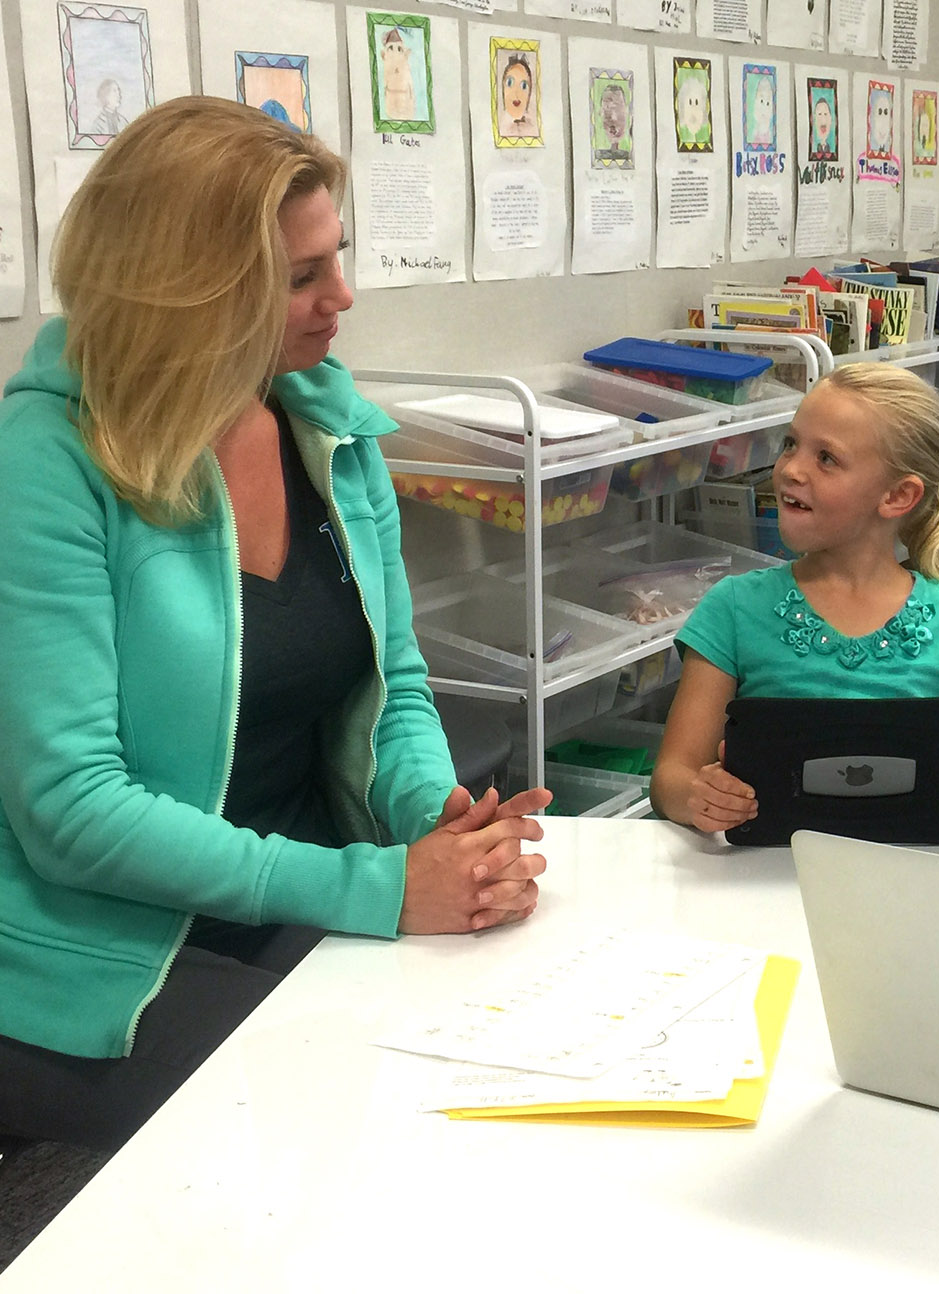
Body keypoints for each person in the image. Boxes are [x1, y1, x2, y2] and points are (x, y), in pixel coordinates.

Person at [0, 97, 551, 1151]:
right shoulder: (46, 461)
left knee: (495, 1062)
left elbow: (394, 683)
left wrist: (430, 815)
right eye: (301, 278)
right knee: (350, 1120)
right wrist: (374, 886)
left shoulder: (326, 425)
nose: (341, 296)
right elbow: (70, 810)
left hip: (292, 888)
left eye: (335, 257)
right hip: (98, 948)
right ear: (189, 294)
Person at [651, 363, 939, 834]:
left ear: (898, 496)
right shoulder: (733, 608)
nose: (790, 469)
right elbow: (671, 778)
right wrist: (699, 797)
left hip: (909, 866)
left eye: (826, 458)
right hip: (767, 867)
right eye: (790, 444)